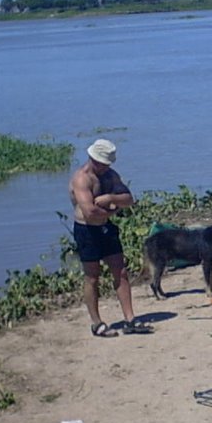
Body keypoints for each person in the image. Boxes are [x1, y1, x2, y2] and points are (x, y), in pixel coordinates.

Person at [69, 139, 152, 336]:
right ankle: (96, 323)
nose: (106, 167)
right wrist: (113, 211)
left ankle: (130, 319)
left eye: (108, 164)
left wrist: (111, 199)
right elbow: (89, 212)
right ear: (93, 159)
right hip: (87, 231)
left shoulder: (110, 176)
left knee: (120, 272)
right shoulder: (82, 179)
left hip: (106, 228)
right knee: (92, 277)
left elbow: (129, 199)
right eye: (103, 163)